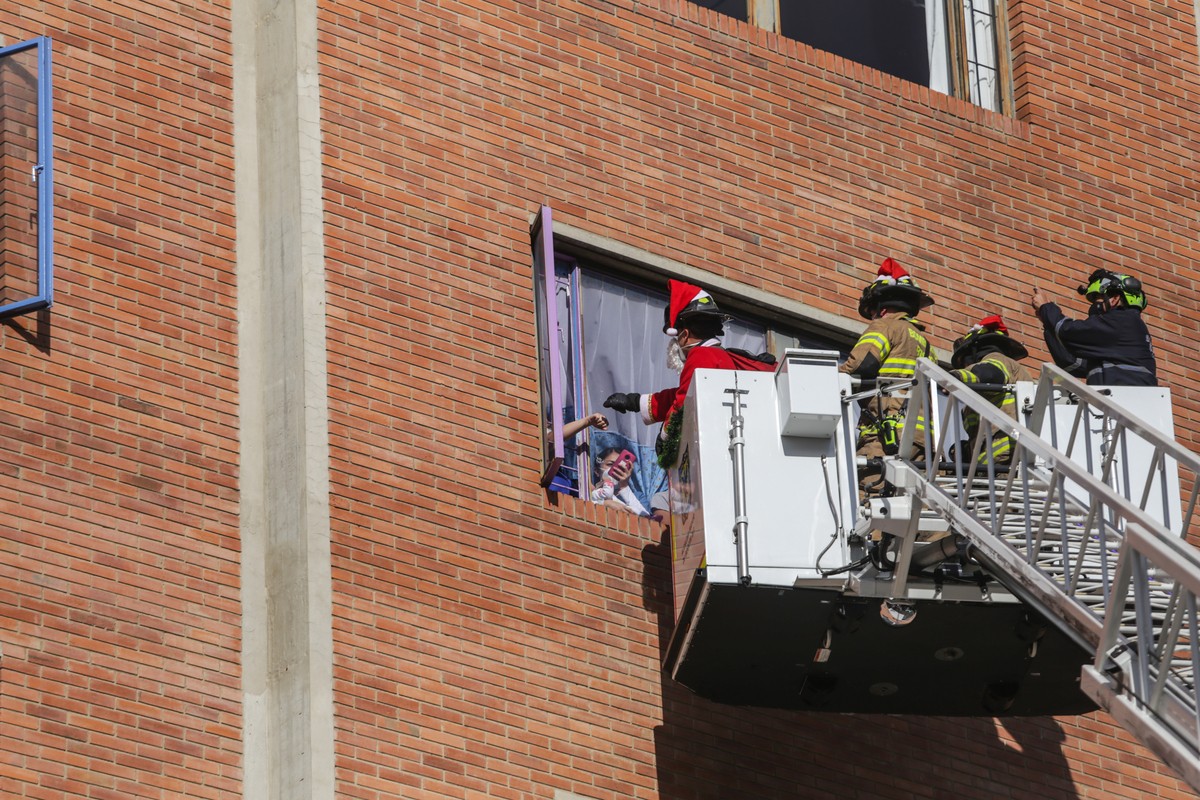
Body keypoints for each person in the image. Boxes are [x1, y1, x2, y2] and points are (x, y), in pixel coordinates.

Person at [601, 279, 776, 467]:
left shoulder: (701, 355)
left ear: (684, 335)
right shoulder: (716, 355)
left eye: (676, 338)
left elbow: (683, 401)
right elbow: (683, 395)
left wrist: (665, 437)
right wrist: (634, 401)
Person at [839, 258, 937, 462]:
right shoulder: (927, 346)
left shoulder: (885, 326)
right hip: (923, 443)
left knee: (870, 489)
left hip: (886, 436)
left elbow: (861, 364)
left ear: (881, 309)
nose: (873, 317)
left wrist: (830, 381)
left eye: (873, 312)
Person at [1030, 269, 1157, 386]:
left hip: (1125, 400)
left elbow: (1068, 331)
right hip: (1120, 402)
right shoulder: (1119, 335)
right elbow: (1072, 362)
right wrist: (1048, 323)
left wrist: (1045, 307)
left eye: (1098, 298)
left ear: (1115, 299)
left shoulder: (1123, 320)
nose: (1095, 304)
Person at [948, 315, 1033, 464]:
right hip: (994, 460)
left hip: (1004, 457)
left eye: (965, 362)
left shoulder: (996, 358)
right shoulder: (1011, 369)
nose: (965, 367)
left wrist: (955, 377)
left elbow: (990, 374)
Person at [590, 447, 650, 515]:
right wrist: (604, 503)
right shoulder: (591, 492)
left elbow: (647, 520)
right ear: (597, 471)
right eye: (610, 464)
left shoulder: (638, 496)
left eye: (621, 466)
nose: (615, 468)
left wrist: (624, 486)